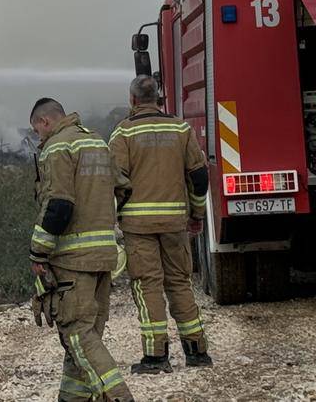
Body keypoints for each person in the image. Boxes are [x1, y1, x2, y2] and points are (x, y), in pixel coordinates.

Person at [29, 97, 136, 402]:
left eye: (37, 130)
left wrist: (38, 252)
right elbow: (123, 190)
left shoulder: (57, 148)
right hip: (104, 256)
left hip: (73, 260)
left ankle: (118, 396)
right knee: (84, 337)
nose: (39, 137)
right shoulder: (97, 143)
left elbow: (59, 205)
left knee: (77, 334)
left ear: (45, 122)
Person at [108, 75, 212, 373]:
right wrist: (197, 213)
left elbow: (115, 181)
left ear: (132, 101)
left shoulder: (122, 134)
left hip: (138, 227)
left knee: (147, 285)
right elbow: (199, 176)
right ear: (158, 98)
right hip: (175, 222)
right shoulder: (181, 129)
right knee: (179, 282)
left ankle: (156, 356)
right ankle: (197, 351)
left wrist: (116, 217)